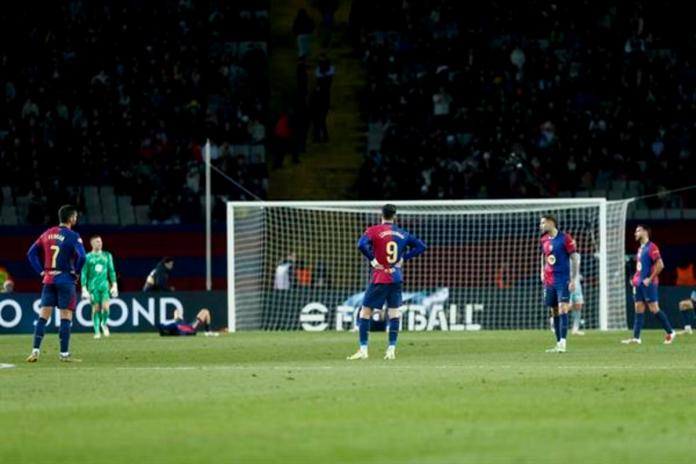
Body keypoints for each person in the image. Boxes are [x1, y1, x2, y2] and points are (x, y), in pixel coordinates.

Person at [347, 204, 426, 361]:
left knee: (365, 312)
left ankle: (363, 350)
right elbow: (421, 246)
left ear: (381, 214)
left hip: (380, 277)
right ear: (395, 215)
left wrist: (373, 260)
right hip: (396, 277)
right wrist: (404, 258)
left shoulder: (373, 230)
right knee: (394, 313)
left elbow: (361, 244)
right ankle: (391, 350)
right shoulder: (403, 233)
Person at [26, 205, 86, 363]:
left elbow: (30, 253)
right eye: (75, 216)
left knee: (43, 316)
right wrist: (77, 272)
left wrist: (41, 271)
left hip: (48, 279)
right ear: (72, 218)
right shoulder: (73, 236)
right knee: (65, 316)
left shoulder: (47, 233)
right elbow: (82, 257)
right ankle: (64, 354)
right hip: (65, 279)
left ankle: (35, 350)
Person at [622, 225, 676, 344]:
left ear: (645, 232)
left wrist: (650, 279)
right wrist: (635, 278)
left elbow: (661, 265)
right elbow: (641, 268)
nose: (635, 233)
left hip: (648, 284)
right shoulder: (640, 249)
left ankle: (670, 332)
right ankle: (636, 338)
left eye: (638, 231)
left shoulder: (652, 247)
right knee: (638, 308)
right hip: (639, 284)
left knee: (654, 309)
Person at [539, 214, 580, 353]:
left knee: (563, 308)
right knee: (554, 310)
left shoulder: (565, 238)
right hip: (549, 280)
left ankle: (563, 342)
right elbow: (544, 256)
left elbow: (574, 258)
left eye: (543, 223)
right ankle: (557, 343)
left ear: (551, 223)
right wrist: (541, 271)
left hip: (563, 279)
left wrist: (574, 279)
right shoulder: (543, 239)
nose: (541, 225)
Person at [81, 235, 118, 339]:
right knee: (96, 309)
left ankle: (104, 324)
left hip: (104, 286)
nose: (100, 243)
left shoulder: (107, 255)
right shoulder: (87, 257)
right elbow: (84, 273)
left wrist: (114, 284)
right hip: (93, 287)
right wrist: (84, 288)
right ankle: (97, 331)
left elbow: (111, 271)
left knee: (106, 308)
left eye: (100, 241)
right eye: (97, 242)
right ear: (92, 243)